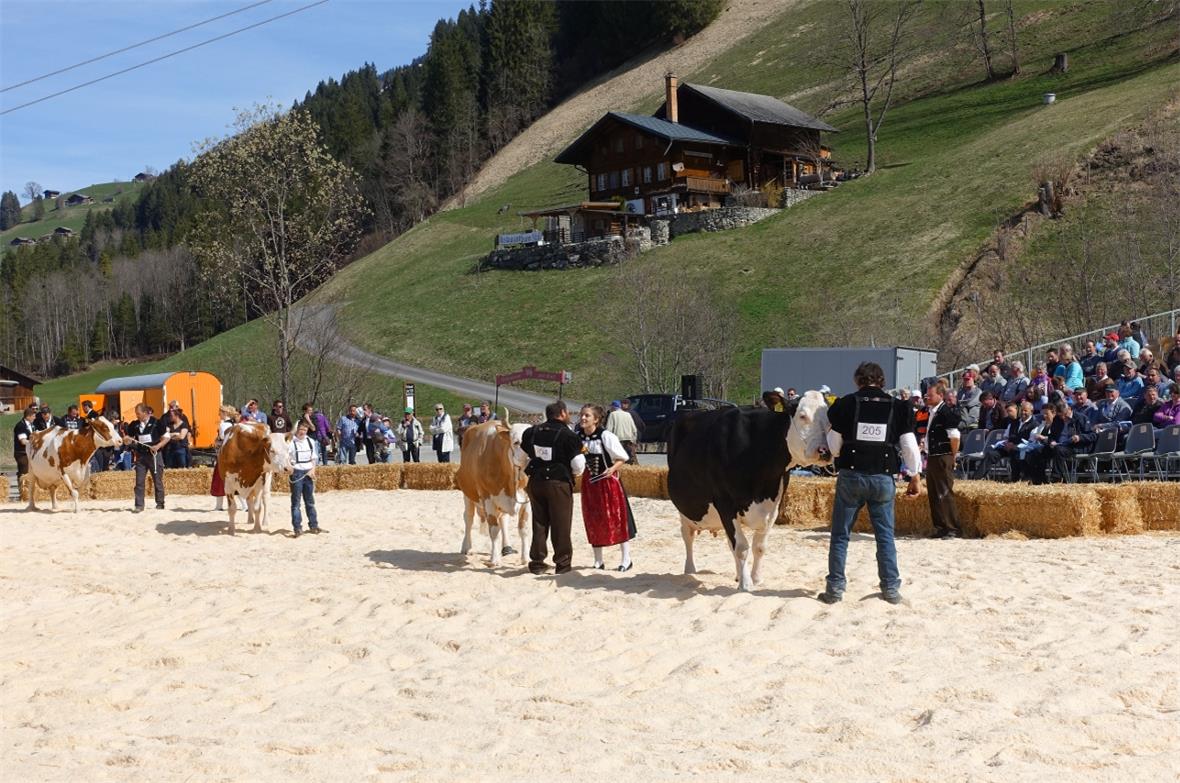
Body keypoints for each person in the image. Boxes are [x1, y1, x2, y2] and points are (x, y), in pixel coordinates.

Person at [819, 362, 921, 605]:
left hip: (851, 476)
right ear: (881, 381)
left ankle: (834, 589)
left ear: (858, 381)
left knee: (840, 535)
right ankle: (890, 589)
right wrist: (915, 476)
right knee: (885, 536)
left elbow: (834, 446)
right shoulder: (898, 407)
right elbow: (908, 445)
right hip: (882, 476)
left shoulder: (845, 404)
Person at [522, 400, 586, 575]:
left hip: (535, 482)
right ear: (563, 413)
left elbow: (521, 456)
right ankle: (562, 564)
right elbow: (578, 464)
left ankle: (537, 562)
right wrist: (574, 475)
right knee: (561, 524)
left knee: (539, 522)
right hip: (558, 483)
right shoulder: (569, 435)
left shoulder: (532, 432)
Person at [578, 404, 636, 571]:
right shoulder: (578, 437)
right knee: (593, 518)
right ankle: (598, 560)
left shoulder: (606, 436)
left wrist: (612, 469)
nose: (583, 418)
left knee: (617, 518)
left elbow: (622, 457)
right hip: (590, 483)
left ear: (596, 419)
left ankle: (626, 559)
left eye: (587, 416)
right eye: (582, 415)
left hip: (608, 482)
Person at [924, 380, 962, 538]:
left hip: (943, 456)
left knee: (945, 492)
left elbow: (954, 437)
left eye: (930, 395)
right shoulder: (932, 411)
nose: (927, 397)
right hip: (932, 456)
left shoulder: (947, 412)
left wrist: (952, 456)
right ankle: (940, 527)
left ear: (940, 395)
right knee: (933, 493)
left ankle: (952, 528)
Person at [123, 403, 169, 512]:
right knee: (139, 481)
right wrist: (126, 440)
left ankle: (160, 503)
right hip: (141, 456)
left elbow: (166, 438)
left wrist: (157, 446)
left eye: (138, 414)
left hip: (155, 455)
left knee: (157, 480)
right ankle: (139, 505)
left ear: (145, 412)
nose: (137, 416)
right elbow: (129, 438)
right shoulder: (134, 425)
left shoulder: (157, 423)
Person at [288, 420, 324, 537]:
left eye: (305, 430)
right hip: (297, 473)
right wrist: (290, 468)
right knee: (296, 503)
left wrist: (313, 469)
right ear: (296, 429)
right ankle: (297, 528)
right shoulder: (290, 442)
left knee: (310, 501)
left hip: (308, 472)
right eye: (301, 429)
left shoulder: (311, 441)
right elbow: (285, 457)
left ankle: (313, 525)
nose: (303, 432)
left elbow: (314, 457)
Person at [1046, 401, 1095, 483]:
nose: (1063, 417)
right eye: (1060, 415)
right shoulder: (1057, 419)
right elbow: (1051, 435)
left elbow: (1092, 435)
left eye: (1064, 414)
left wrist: (1079, 437)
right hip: (1059, 445)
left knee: (1058, 450)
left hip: (1075, 446)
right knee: (1040, 450)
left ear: (1069, 409)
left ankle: (1056, 478)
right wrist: (1051, 441)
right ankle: (1037, 478)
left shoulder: (1081, 418)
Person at [210, 405, 247, 512]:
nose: (219, 414)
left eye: (220, 412)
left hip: (225, 455)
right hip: (235, 456)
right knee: (235, 481)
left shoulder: (223, 425)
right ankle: (245, 505)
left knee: (219, 479)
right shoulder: (235, 424)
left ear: (224, 413)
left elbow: (222, 437)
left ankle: (219, 506)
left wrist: (217, 441)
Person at [605, 399, 639, 465]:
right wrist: (634, 440)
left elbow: (608, 429)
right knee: (629, 458)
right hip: (628, 439)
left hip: (618, 439)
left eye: (611, 406)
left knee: (618, 458)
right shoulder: (628, 414)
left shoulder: (612, 414)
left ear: (613, 407)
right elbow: (634, 429)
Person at [13, 404, 37, 491]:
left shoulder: (32, 425)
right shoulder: (20, 426)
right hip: (21, 453)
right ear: (28, 416)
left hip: (30, 452)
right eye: (33, 416)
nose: (35, 418)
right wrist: (34, 443)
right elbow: (23, 441)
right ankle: (23, 492)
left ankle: (30, 491)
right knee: (24, 472)